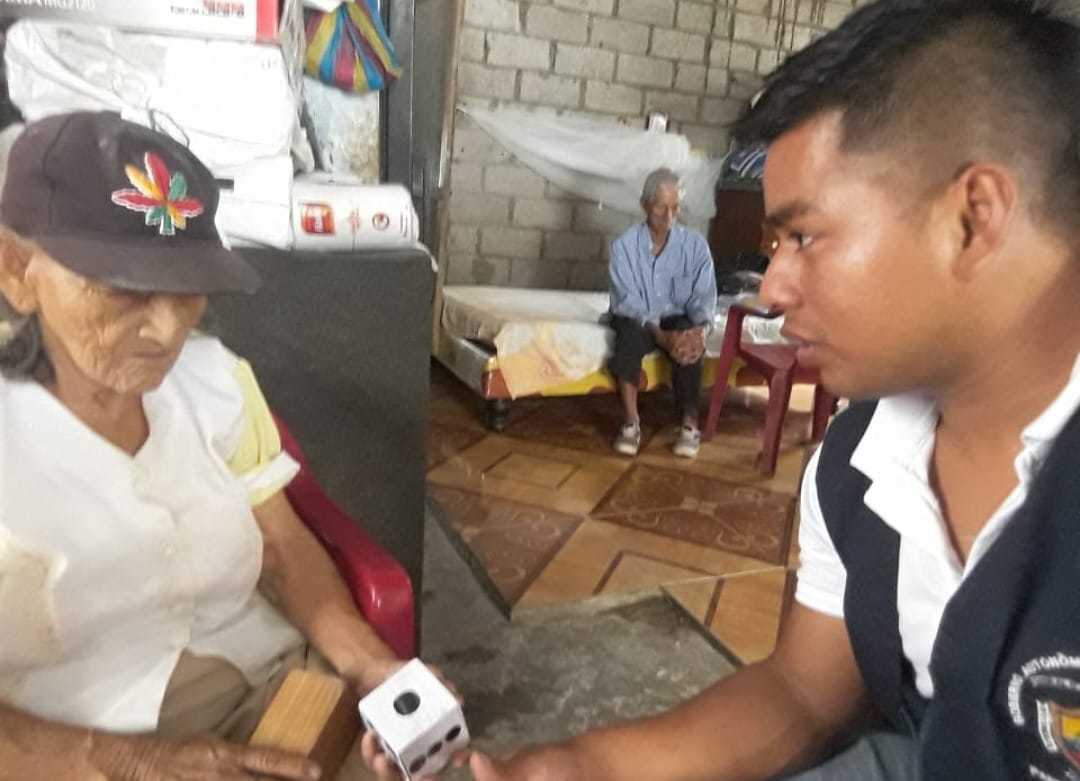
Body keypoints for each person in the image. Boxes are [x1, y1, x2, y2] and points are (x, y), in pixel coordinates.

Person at [365, 0, 1080, 779]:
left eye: (804, 236)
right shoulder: (859, 466)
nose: (771, 287)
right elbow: (802, 692)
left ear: (972, 219)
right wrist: (566, 766)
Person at [0, 111, 413, 780]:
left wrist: (371, 664)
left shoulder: (215, 379)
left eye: (188, 289)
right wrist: (121, 761)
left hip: (269, 681)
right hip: (65, 744)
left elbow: (281, 544)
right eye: (123, 289)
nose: (167, 329)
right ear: (18, 269)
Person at [606, 168, 717, 459]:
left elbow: (704, 298)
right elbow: (627, 300)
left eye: (675, 208)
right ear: (644, 205)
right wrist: (659, 335)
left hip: (676, 314)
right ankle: (631, 422)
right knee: (628, 337)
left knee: (688, 339)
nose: (669, 216)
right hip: (638, 316)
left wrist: (699, 331)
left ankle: (690, 425)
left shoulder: (695, 246)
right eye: (661, 207)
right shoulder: (624, 247)